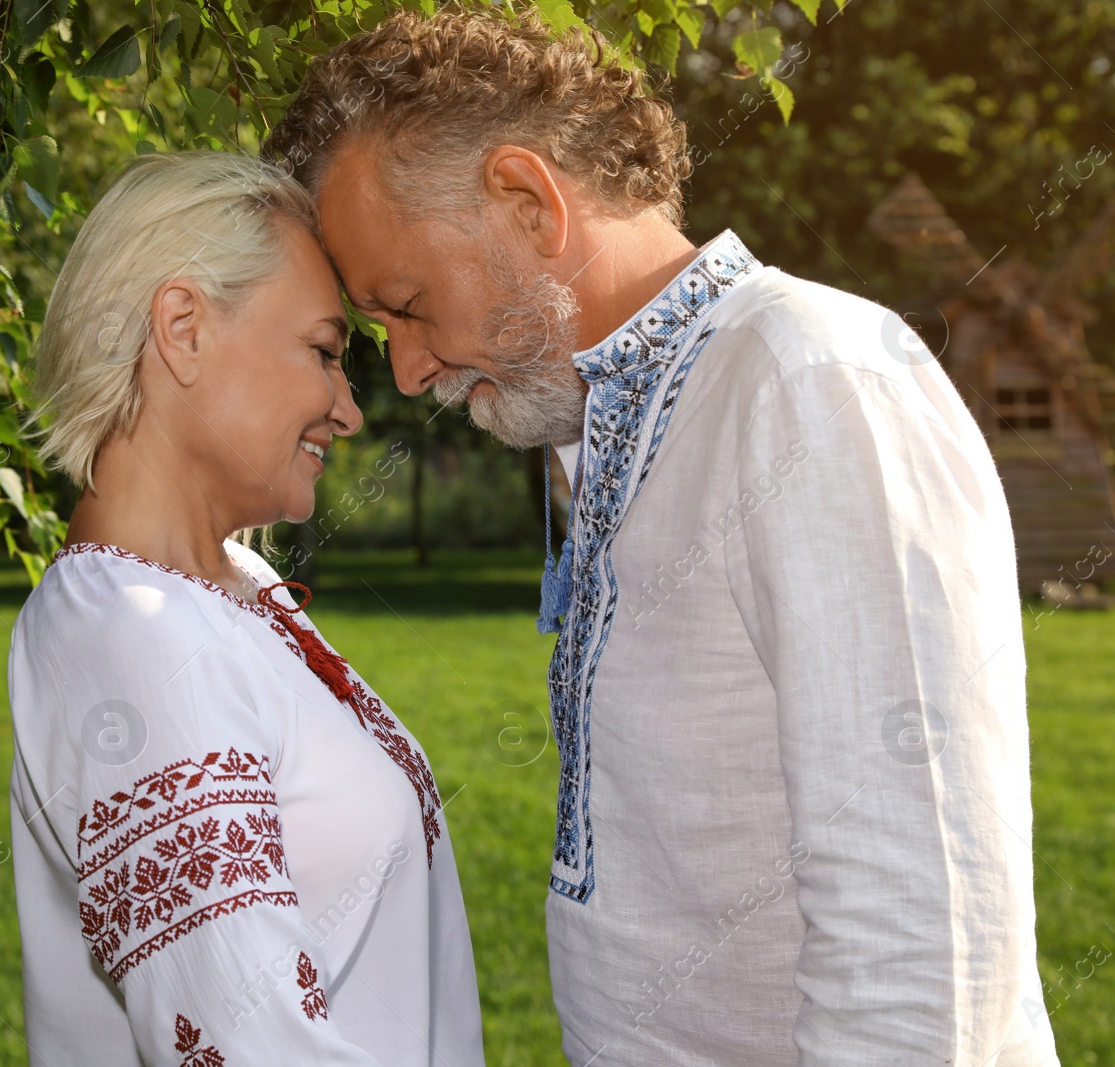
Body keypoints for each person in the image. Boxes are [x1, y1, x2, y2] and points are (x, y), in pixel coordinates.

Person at [266, 8, 1059, 1066]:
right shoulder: (609, 425)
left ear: (525, 200)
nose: (406, 370)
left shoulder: (812, 380)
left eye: (405, 304)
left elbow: (924, 936)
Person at [7, 151, 485, 1067]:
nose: (348, 410)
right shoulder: (132, 630)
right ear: (182, 327)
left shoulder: (231, 587)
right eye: (323, 351)